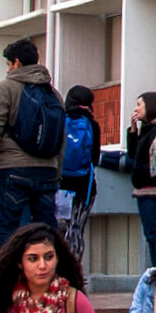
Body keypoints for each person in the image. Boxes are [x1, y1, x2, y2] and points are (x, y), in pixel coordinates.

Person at [0, 38, 63, 249]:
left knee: (8, 231)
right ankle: (48, 278)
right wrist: (57, 171)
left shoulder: (7, 88)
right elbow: (60, 138)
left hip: (14, 170)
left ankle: (6, 280)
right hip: (47, 172)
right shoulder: (53, 94)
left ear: (16, 62)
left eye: (8, 64)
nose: (7, 70)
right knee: (46, 231)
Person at [101, 91, 156, 269]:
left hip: (152, 190)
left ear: (150, 106)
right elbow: (134, 155)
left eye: (139, 104)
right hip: (146, 190)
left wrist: (141, 174)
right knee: (152, 234)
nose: (136, 109)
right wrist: (133, 131)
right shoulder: (148, 130)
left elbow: (154, 163)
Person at [57, 85, 101, 262]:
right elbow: (95, 159)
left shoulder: (59, 120)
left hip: (59, 186)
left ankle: (55, 274)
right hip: (84, 187)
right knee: (75, 230)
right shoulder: (92, 124)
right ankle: (73, 273)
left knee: (56, 229)